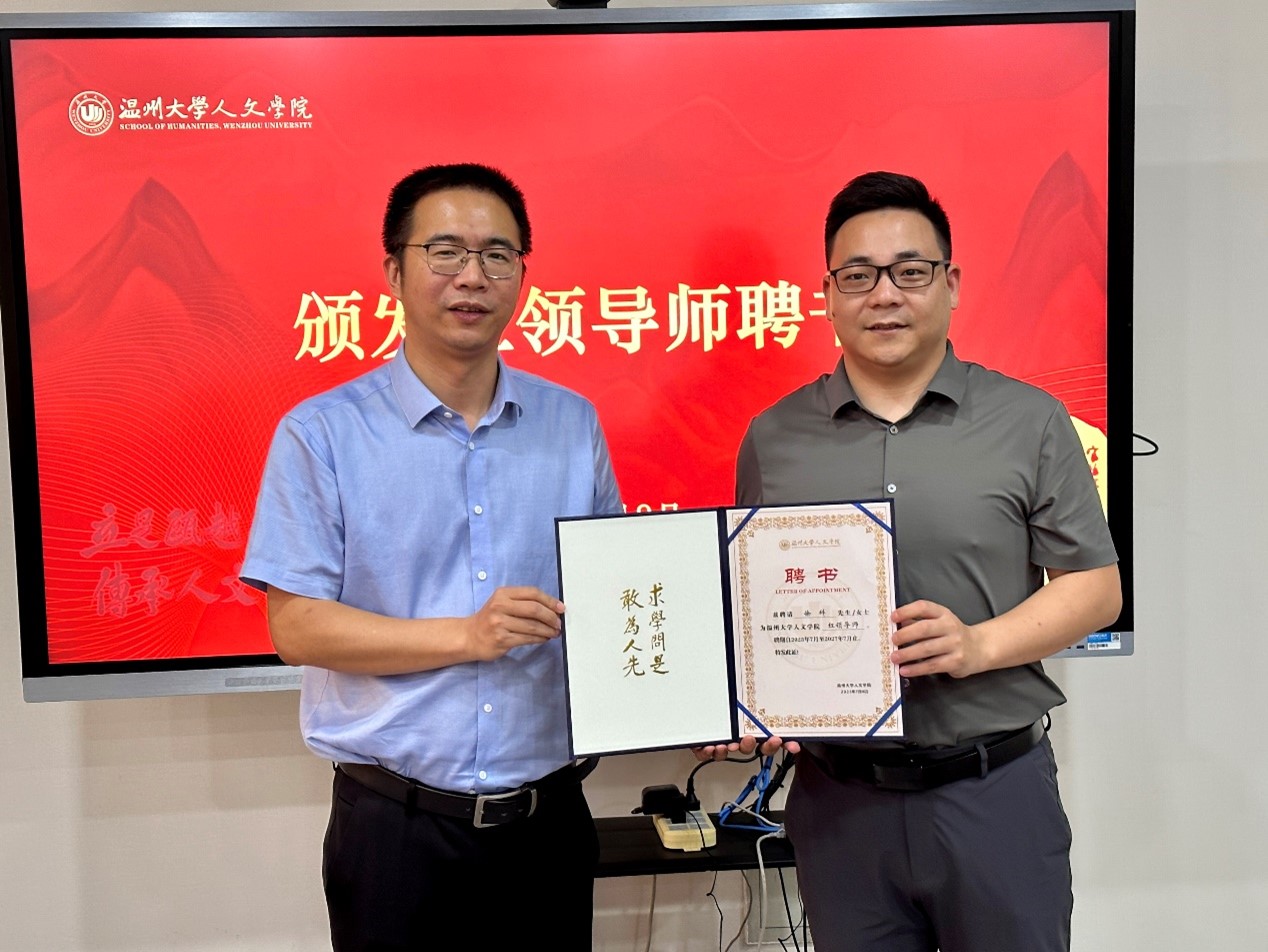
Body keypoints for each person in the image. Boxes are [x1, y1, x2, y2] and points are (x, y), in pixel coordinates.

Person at [717, 171, 1121, 952]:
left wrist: (978, 645)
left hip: (993, 795)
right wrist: (745, 703)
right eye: (857, 275)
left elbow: (1095, 588)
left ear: (951, 284)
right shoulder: (774, 438)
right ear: (828, 294)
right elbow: (753, 604)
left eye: (909, 271)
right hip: (840, 804)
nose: (884, 295)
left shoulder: (1031, 420)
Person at [241, 163, 621, 951]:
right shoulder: (323, 433)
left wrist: (704, 697)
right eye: (445, 252)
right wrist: (467, 635)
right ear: (394, 271)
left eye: (497, 255)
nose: (472, 277)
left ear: (522, 276)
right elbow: (296, 627)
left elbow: (616, 590)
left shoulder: (572, 424)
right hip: (397, 833)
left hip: (548, 827)